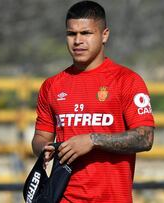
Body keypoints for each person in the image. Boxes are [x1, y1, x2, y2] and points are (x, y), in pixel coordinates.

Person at [31, 1, 155, 202]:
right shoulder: (51, 86)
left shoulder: (127, 81)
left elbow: (145, 138)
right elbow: (40, 137)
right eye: (71, 34)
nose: (77, 41)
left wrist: (93, 140)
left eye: (86, 33)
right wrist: (43, 149)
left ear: (104, 35)